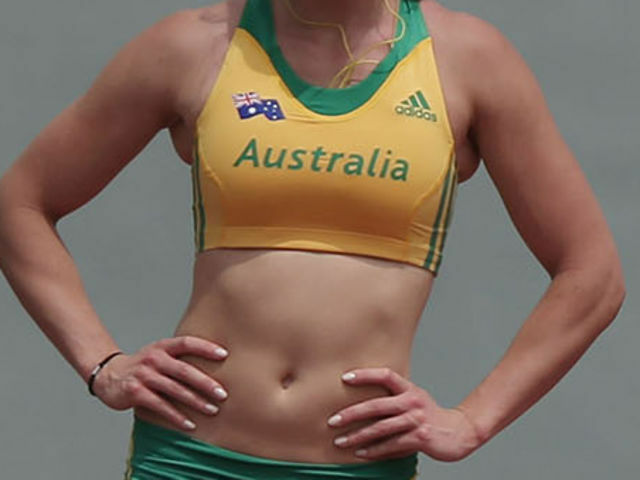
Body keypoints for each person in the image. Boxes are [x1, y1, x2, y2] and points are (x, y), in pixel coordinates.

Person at [0, 0, 626, 479]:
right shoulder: (197, 44)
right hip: (189, 458)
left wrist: (472, 420)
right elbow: (19, 204)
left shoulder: (467, 58)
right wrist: (102, 365)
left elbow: (592, 274)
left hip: (358, 467)